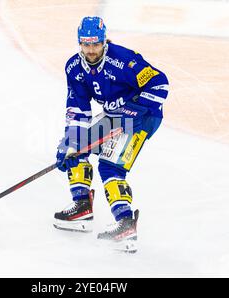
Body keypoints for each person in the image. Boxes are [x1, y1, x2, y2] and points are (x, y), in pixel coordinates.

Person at [53, 16, 169, 252]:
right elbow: (78, 108)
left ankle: (125, 223)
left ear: (104, 40)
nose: (91, 50)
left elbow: (159, 83)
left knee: (110, 167)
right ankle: (82, 206)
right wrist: (72, 142)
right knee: (77, 146)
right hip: (115, 117)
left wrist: (134, 111)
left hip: (143, 117)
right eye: (86, 44)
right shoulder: (74, 68)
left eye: (96, 44)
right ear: (80, 43)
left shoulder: (124, 60)